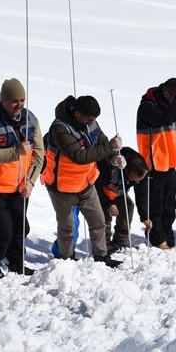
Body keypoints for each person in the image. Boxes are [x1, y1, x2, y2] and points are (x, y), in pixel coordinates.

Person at [43, 94, 122, 267]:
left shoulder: (91, 121)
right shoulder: (59, 128)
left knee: (98, 221)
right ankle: (67, 260)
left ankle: (101, 256)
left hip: (86, 183)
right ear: (77, 113)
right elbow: (79, 156)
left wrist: (113, 157)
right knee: (68, 228)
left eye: (93, 120)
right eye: (88, 119)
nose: (90, 122)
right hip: (62, 186)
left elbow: (101, 141)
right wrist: (109, 147)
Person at [0, 78, 44, 279]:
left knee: (21, 227)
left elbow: (39, 153)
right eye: (14, 101)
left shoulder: (30, 118)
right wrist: (15, 152)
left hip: (20, 186)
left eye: (22, 100)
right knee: (3, 230)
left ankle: (16, 263)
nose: (19, 105)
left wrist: (31, 181)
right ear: (3, 100)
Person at [136, 77, 176, 249]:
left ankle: (168, 235)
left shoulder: (173, 104)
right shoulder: (147, 106)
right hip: (152, 166)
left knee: (170, 206)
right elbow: (166, 118)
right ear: (167, 93)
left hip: (170, 163)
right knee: (156, 206)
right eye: (175, 97)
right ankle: (157, 239)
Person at [97, 147, 149, 250]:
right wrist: (108, 204)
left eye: (139, 180)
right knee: (105, 214)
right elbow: (96, 187)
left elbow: (142, 194)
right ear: (126, 171)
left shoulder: (142, 171)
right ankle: (105, 244)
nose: (137, 182)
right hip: (100, 191)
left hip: (117, 191)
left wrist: (144, 217)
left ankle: (121, 240)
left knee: (128, 205)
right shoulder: (110, 167)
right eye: (134, 180)